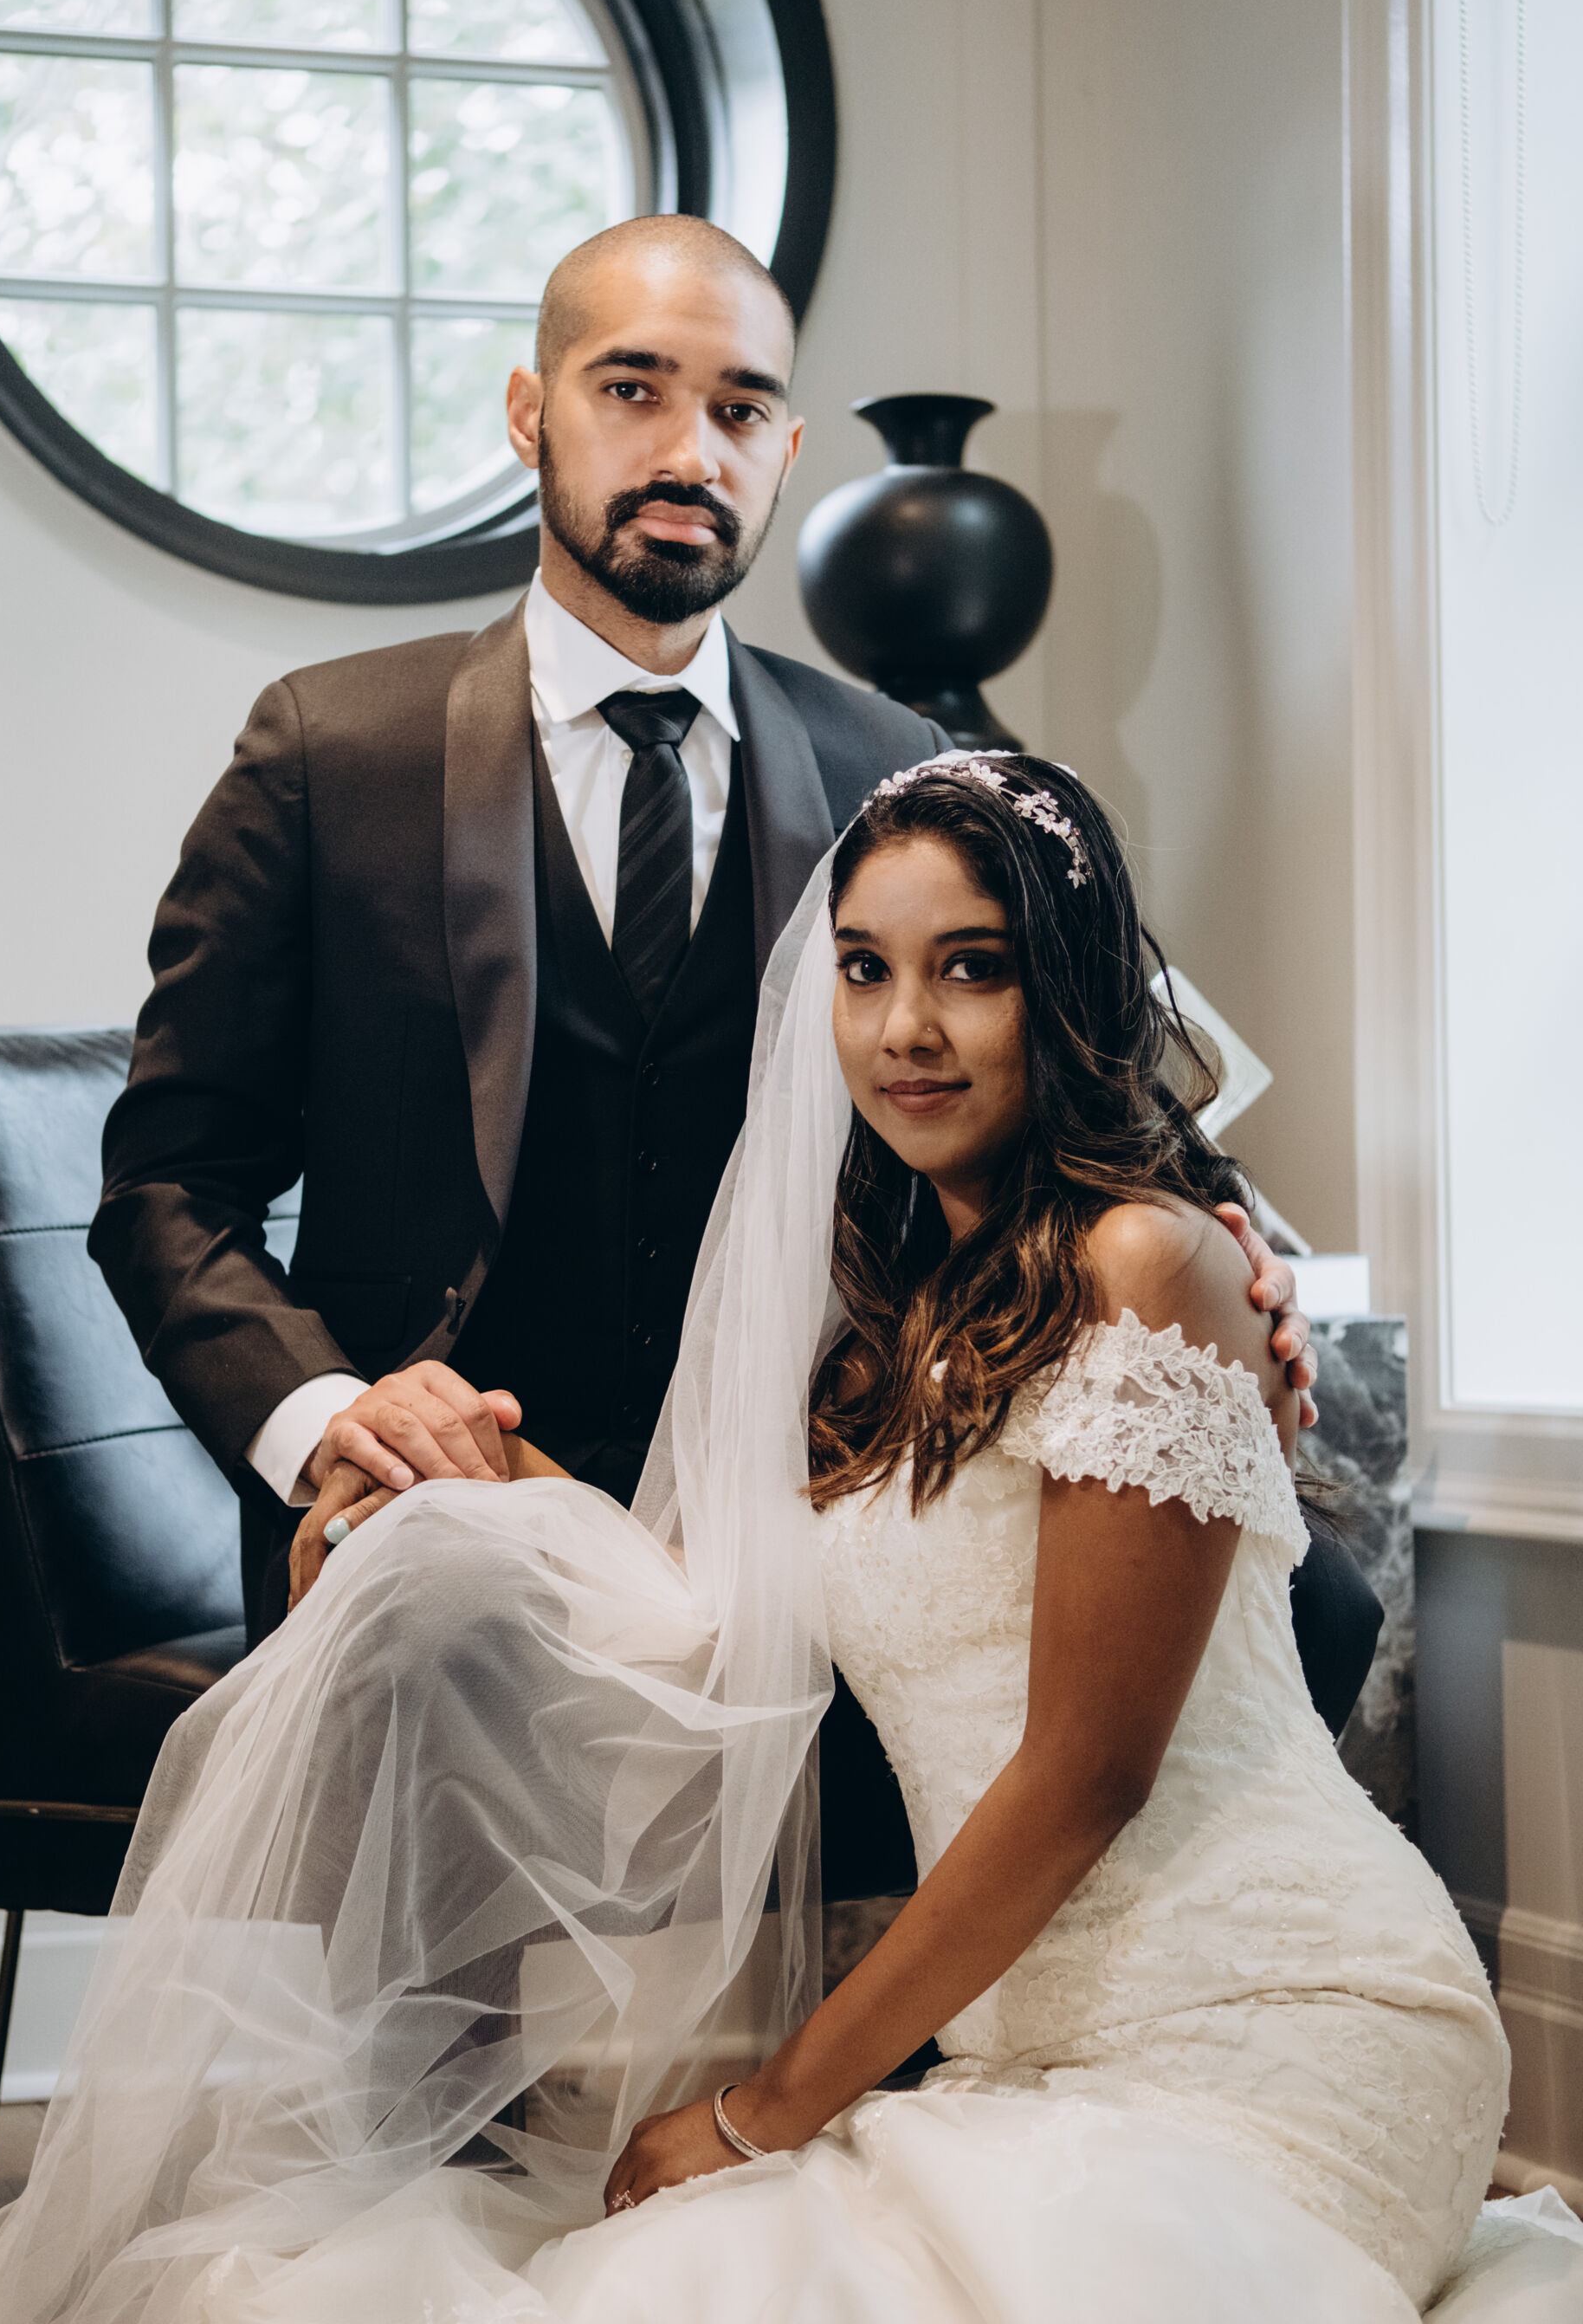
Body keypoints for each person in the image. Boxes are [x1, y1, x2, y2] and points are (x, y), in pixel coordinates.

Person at [0, 754, 1505, 2323]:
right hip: (1031, 2053)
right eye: (866, 969)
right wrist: (440, 1466)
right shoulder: (897, 1330)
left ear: (1069, 988)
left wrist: (764, 2110)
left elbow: (1086, 1774)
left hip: (1284, 2018)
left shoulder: (1152, 1263)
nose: (906, 1029)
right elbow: (700, 1603)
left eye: (973, 969)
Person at [86, 212, 1357, 1902]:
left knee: (1316, 1599)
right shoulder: (331, 753)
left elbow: (1099, 1093)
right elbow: (169, 1188)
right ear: (530, 413)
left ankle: (1051, 2020)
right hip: (454, 1506)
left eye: (741, 409)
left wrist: (1237, 1256)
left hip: (817, 1494)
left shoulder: (894, 760)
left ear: (789, 451)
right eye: (635, 390)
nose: (691, 452)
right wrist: (332, 1419)